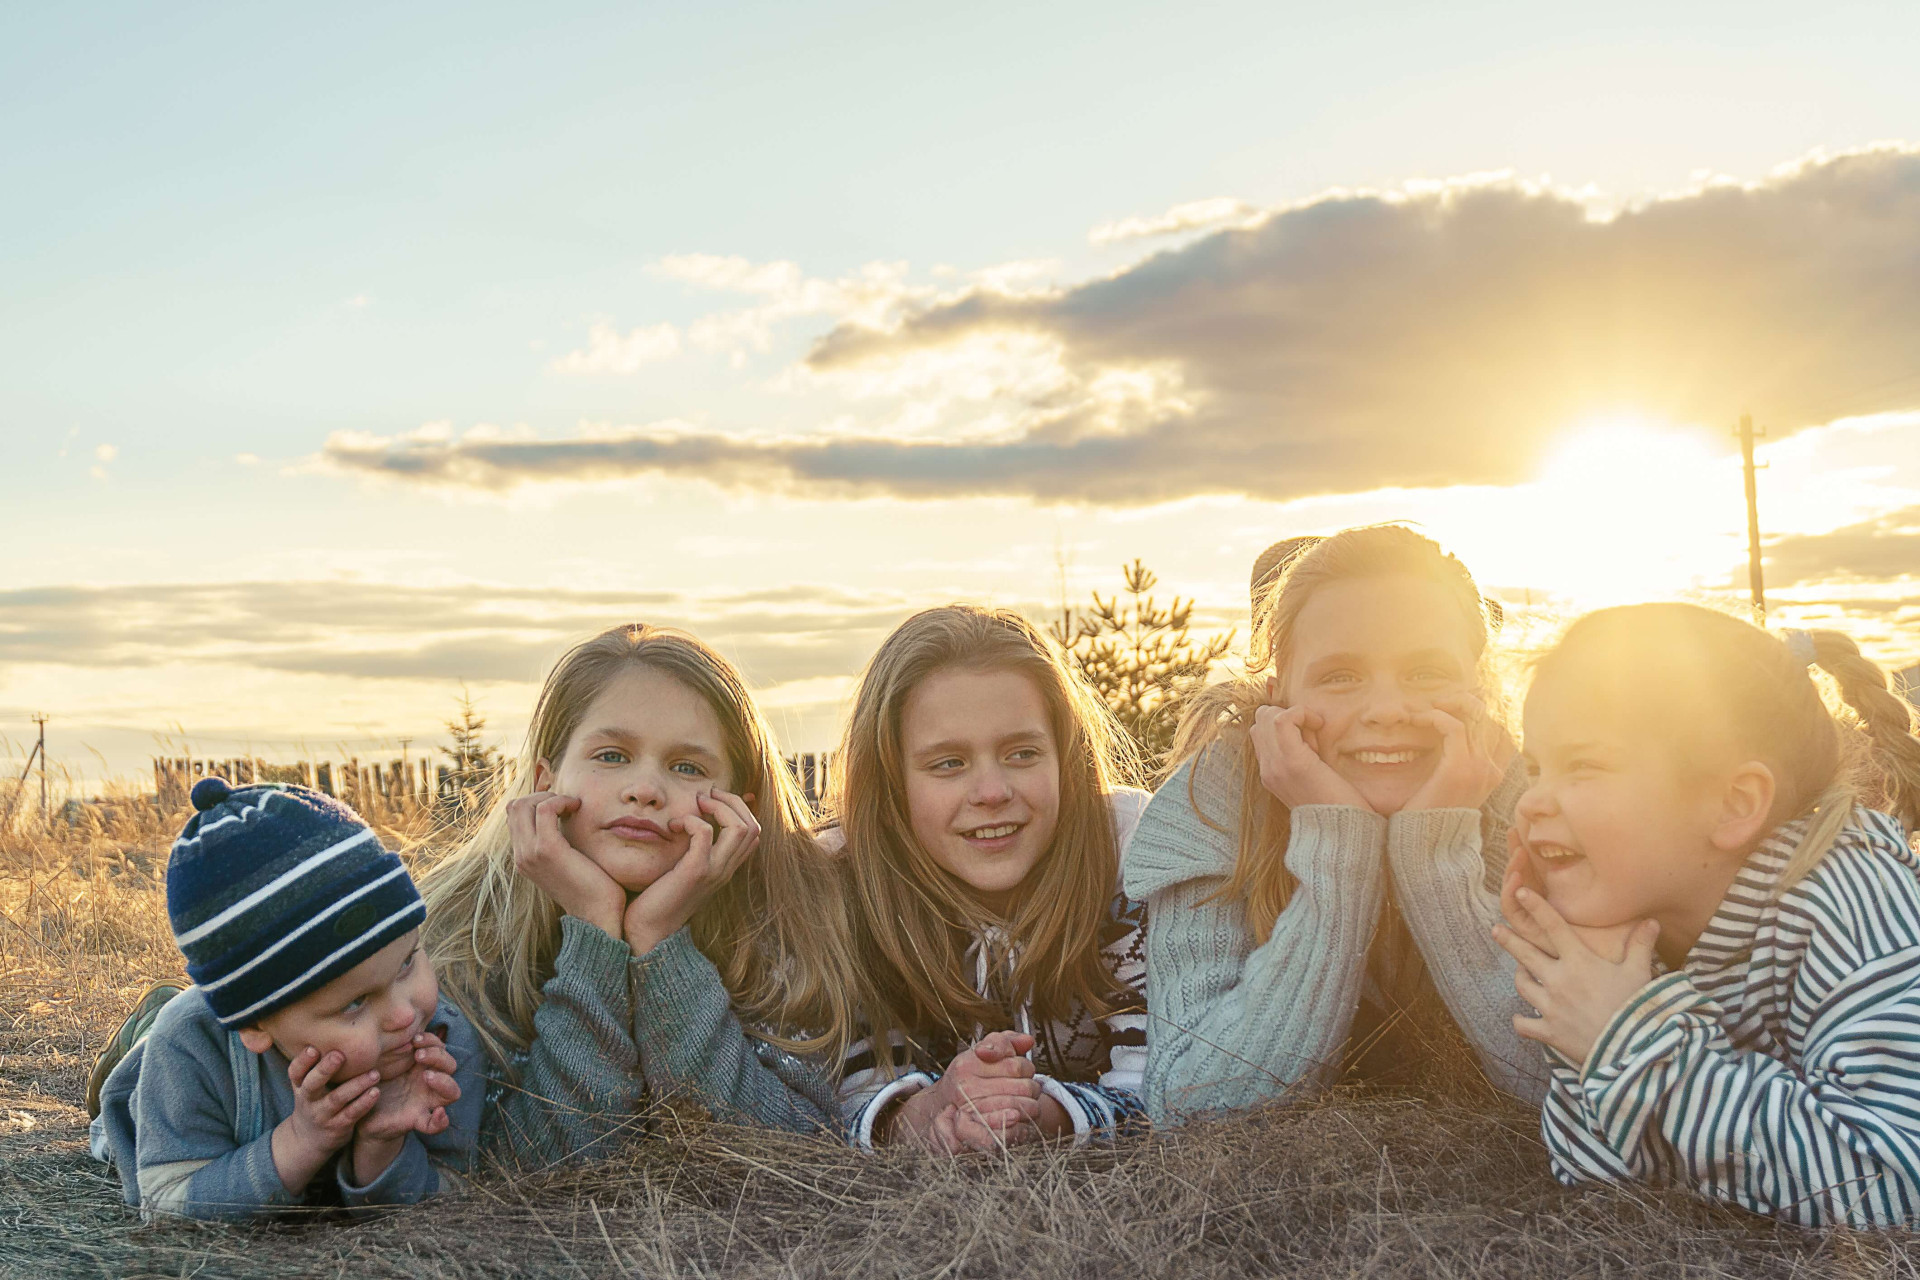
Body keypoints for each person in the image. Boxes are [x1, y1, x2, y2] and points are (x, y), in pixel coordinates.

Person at [1494, 604, 1920, 1226]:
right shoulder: (1647, 920)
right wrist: (1586, 969)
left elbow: (1894, 1187)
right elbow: (1595, 1180)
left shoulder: (1850, 899)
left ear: (1733, 805)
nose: (1530, 801)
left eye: (1582, 765)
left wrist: (1632, 1037)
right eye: (1535, 768)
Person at [1125, 524, 1545, 1122]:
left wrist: (1435, 857)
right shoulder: (1213, 804)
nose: (1386, 711)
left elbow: (1578, 1091)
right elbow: (1193, 1104)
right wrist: (1337, 844)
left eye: (1425, 672)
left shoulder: (1525, 803)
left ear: (1475, 688)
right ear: (1278, 696)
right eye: (1340, 676)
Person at [420, 623, 857, 1159]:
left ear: (738, 811)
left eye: (687, 767)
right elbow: (529, 1165)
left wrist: (659, 939)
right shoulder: (462, 937)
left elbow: (785, 1149)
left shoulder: (788, 922)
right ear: (545, 781)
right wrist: (594, 929)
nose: (646, 789)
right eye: (611, 756)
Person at [825, 605, 1151, 1151]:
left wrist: (1046, 1115)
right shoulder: (839, 888)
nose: (992, 791)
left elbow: (1165, 1077)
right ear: (891, 783)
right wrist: (928, 1114)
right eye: (948, 763)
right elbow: (837, 1097)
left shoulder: (1130, 855)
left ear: (1065, 760)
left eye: (1022, 753)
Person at [90, 778, 481, 1219]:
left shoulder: (443, 1043)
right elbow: (166, 1202)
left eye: (407, 963)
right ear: (255, 1025)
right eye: (354, 1004)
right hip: (156, 1087)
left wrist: (381, 1144)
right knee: (133, 1085)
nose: (405, 1014)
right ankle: (136, 1039)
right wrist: (301, 1141)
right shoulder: (188, 1048)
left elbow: (448, 1192)